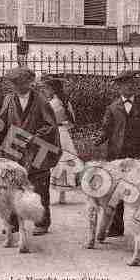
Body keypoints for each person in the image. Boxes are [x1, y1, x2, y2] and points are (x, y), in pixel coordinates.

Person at [0, 67, 61, 236]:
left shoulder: (41, 100)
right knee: (12, 186)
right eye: (15, 84)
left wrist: (34, 137)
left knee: (39, 186)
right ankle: (13, 223)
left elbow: (50, 125)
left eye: (21, 83)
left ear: (29, 82)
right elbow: (1, 121)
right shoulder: (8, 99)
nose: (18, 87)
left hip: (36, 150)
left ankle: (42, 222)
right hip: (14, 151)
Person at [95, 70, 140, 238]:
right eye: (124, 84)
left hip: (139, 157)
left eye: (131, 84)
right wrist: (99, 139)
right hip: (117, 158)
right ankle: (116, 227)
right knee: (116, 192)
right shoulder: (112, 107)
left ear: (136, 86)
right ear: (118, 87)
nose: (128, 87)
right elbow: (106, 129)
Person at [40, 75, 83, 204]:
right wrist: (64, 125)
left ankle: (54, 195)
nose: (44, 91)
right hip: (63, 133)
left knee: (54, 161)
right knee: (63, 162)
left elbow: (45, 120)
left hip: (55, 134)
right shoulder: (65, 102)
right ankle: (61, 195)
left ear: (53, 89)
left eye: (46, 88)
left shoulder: (52, 103)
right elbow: (72, 122)